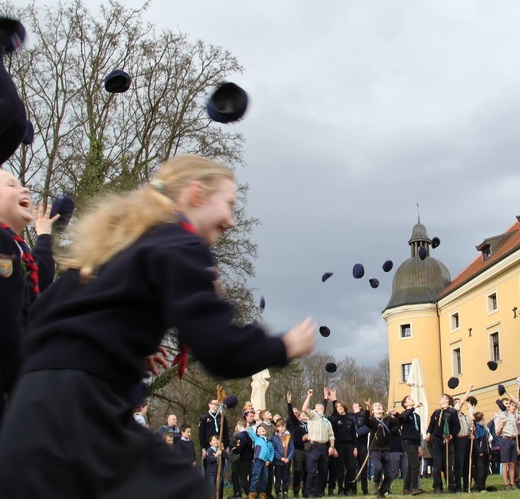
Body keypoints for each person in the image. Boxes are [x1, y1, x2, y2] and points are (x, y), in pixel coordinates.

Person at [0, 155, 317, 498]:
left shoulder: (117, 247)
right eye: (227, 204)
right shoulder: (180, 243)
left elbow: (45, 313)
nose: (230, 221)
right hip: (80, 416)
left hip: (28, 417)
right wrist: (284, 346)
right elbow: (221, 350)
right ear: (196, 195)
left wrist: (120, 347)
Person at [0, 170, 57, 424]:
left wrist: (43, 233)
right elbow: (6, 322)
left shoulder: (16, 247)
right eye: (12, 185)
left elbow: (39, 277)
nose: (25, 190)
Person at [302, 389, 335, 498]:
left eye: (322, 406)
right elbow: (304, 409)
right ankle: (308, 492)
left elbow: (331, 435)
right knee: (311, 471)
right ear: (315, 408)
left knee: (323, 471)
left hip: (324, 447)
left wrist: (331, 446)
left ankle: (318, 491)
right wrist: (309, 397)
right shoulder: (313, 416)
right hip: (313, 446)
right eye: (318, 406)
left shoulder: (326, 421)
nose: (321, 406)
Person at [425, 393, 459, 493]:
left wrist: (451, 435)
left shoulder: (452, 412)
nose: (441, 399)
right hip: (436, 440)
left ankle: (450, 485)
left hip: (447, 440)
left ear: (448, 400)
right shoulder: (436, 412)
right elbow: (431, 425)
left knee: (447, 464)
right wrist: (428, 433)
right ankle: (437, 486)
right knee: (437, 464)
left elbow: (457, 426)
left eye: (443, 398)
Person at [327, 389, 358, 495]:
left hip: (349, 445)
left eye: (341, 406)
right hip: (339, 445)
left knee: (351, 467)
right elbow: (332, 434)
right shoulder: (334, 419)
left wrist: (355, 447)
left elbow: (354, 434)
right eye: (337, 407)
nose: (339, 408)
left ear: (344, 407)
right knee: (340, 469)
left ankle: (349, 488)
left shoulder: (350, 418)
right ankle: (340, 488)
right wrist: (333, 447)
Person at [367, 402, 399, 498]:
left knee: (390, 475)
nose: (379, 407)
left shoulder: (388, 420)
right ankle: (376, 482)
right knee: (378, 467)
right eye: (376, 406)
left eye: (380, 406)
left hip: (386, 450)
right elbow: (366, 422)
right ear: (373, 411)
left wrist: (396, 414)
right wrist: (366, 410)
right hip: (375, 450)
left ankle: (382, 492)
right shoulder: (372, 421)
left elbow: (400, 421)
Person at [398, 396, 423, 495]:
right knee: (416, 463)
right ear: (405, 404)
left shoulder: (417, 416)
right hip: (407, 441)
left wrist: (419, 446)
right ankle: (414, 487)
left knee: (411, 465)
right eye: (408, 399)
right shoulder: (404, 414)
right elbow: (403, 418)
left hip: (415, 442)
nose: (411, 399)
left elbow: (418, 431)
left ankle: (406, 488)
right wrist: (414, 407)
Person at [493, 400, 519, 491]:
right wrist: (502, 425)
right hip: (504, 439)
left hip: (513, 440)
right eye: (506, 404)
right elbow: (497, 433)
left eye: (509, 404)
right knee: (505, 463)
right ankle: (506, 484)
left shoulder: (511, 416)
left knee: (512, 463)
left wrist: (517, 446)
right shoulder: (499, 416)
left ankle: (512, 483)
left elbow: (515, 431)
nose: (508, 405)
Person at [286, 393, 308, 498]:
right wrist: (289, 403)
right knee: (298, 471)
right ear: (299, 417)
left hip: (310, 450)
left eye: (306, 415)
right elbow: (291, 415)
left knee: (308, 471)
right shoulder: (297, 424)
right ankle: (295, 491)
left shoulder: (312, 424)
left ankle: (306, 491)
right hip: (299, 450)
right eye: (303, 415)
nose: (305, 416)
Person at [247, 424, 275, 499]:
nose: (263, 429)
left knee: (265, 477)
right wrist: (253, 424)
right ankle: (252, 492)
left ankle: (262, 493)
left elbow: (272, 452)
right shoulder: (257, 439)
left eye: (263, 428)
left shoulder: (269, 442)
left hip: (266, 462)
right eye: (260, 429)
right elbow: (250, 431)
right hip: (259, 459)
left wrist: (269, 460)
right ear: (257, 433)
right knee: (256, 475)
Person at [351, 401, 371, 496]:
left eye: (356, 404)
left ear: (359, 407)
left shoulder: (363, 415)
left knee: (363, 467)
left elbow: (368, 425)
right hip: (352, 445)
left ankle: (365, 489)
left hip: (362, 444)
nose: (354, 404)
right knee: (352, 467)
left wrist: (357, 434)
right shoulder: (350, 416)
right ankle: (353, 489)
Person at [272, 418, 295, 499]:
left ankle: (285, 492)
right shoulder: (274, 438)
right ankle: (278, 492)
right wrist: (280, 458)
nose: (283, 429)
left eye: (284, 427)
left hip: (287, 462)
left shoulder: (288, 437)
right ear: (277, 427)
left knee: (286, 478)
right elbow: (274, 450)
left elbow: (292, 449)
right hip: (279, 462)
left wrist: (288, 458)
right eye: (281, 427)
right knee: (278, 478)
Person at [207, 435, 229, 499]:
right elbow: (209, 459)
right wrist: (216, 455)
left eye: (217, 440)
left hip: (219, 472)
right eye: (214, 440)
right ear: (210, 443)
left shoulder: (220, 450)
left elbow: (227, 457)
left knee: (218, 487)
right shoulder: (210, 450)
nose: (216, 441)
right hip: (212, 473)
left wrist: (222, 449)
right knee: (212, 487)